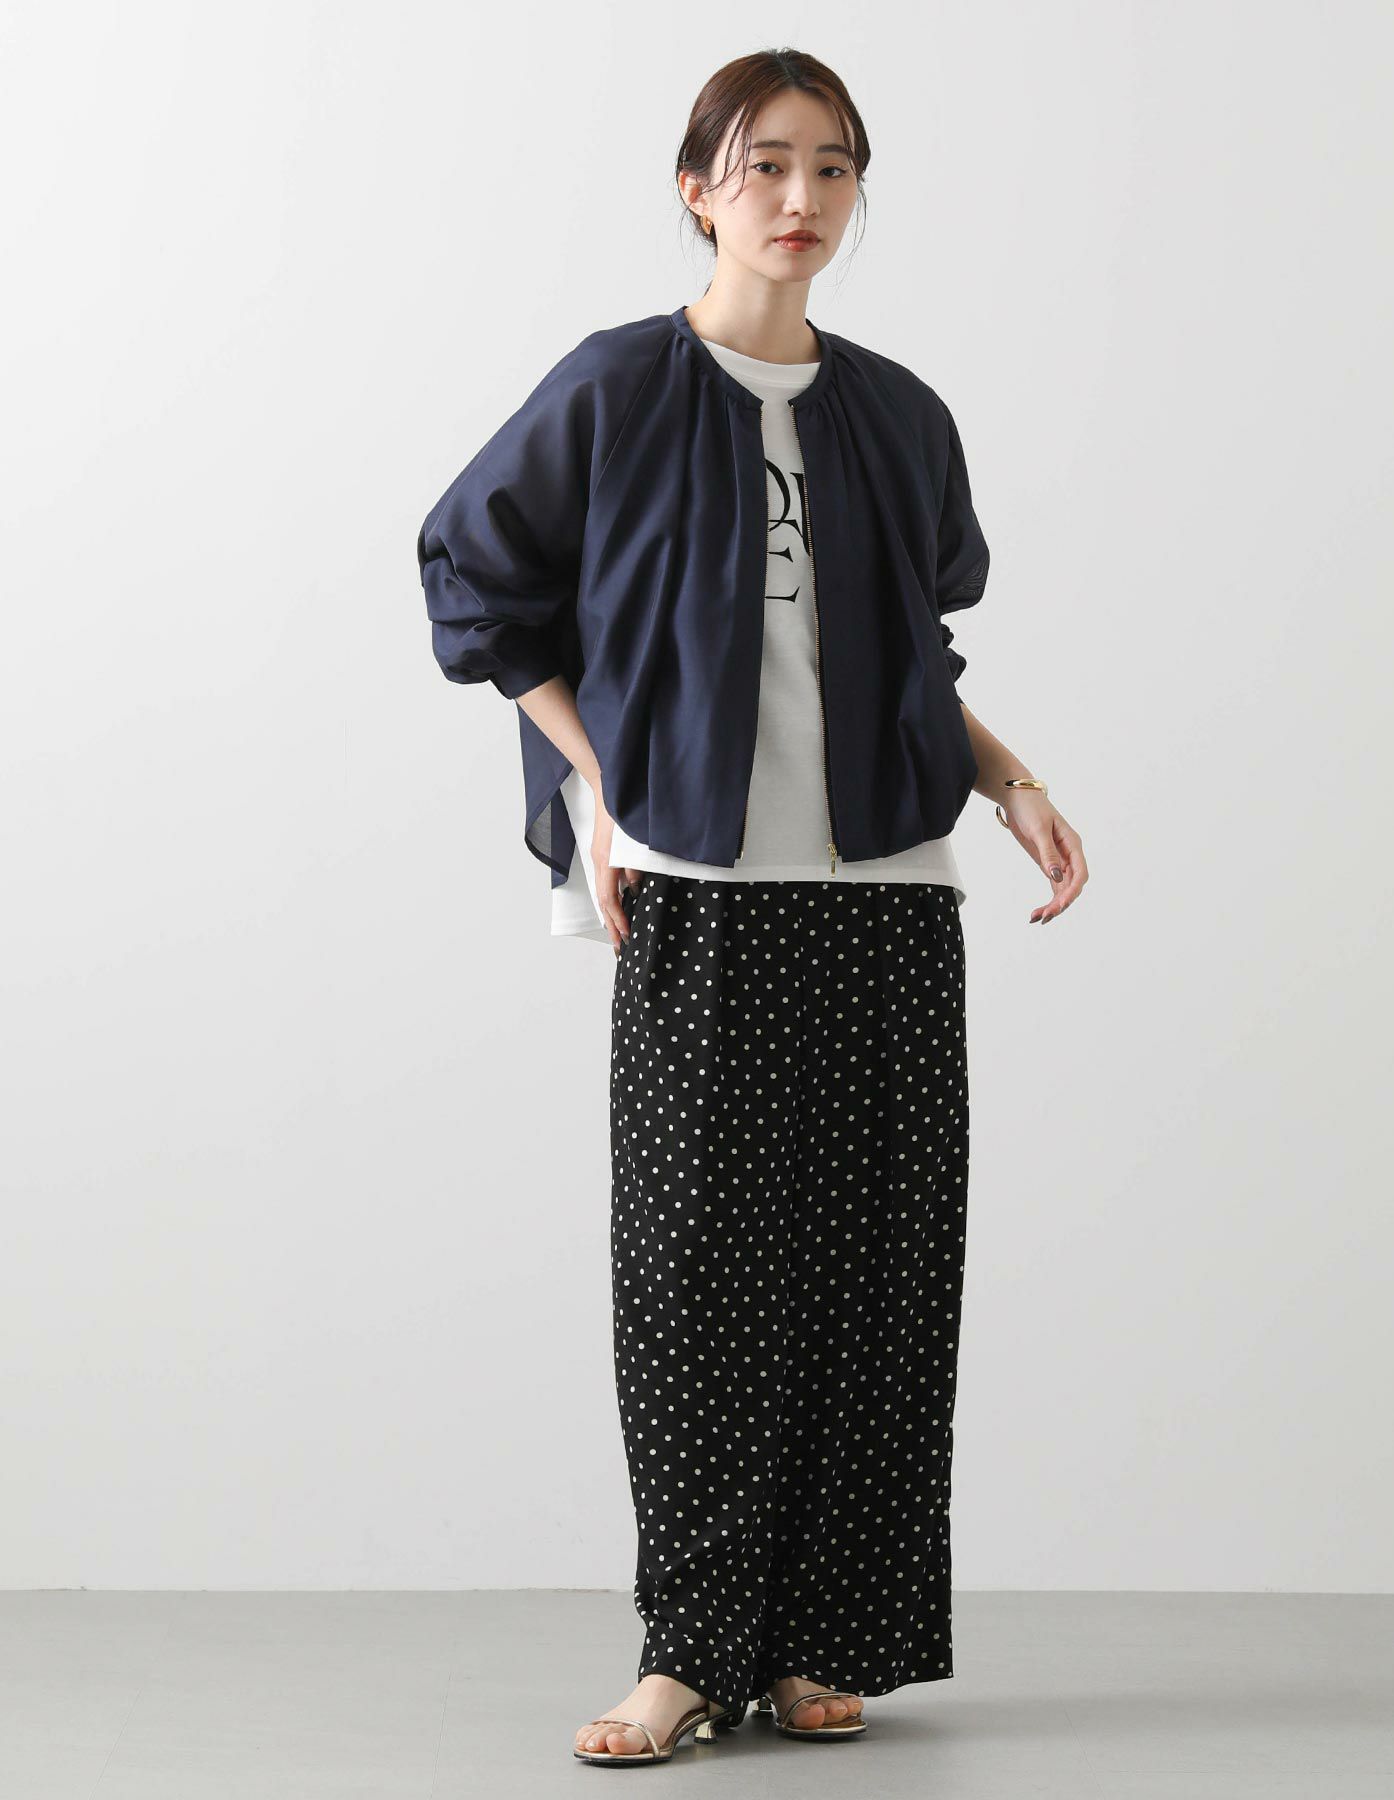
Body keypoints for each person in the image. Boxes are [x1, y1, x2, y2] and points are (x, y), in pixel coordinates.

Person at [416, 46, 1088, 1770]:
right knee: (702, 1278)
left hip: (886, 892)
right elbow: (477, 585)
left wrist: (1010, 784)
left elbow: (918, 658)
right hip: (708, 894)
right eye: (766, 163)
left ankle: (817, 1645)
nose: (802, 199)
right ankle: (689, 1650)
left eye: (834, 168)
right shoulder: (617, 388)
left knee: (877, 1279)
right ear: (697, 187)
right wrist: (603, 790)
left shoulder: (898, 414)